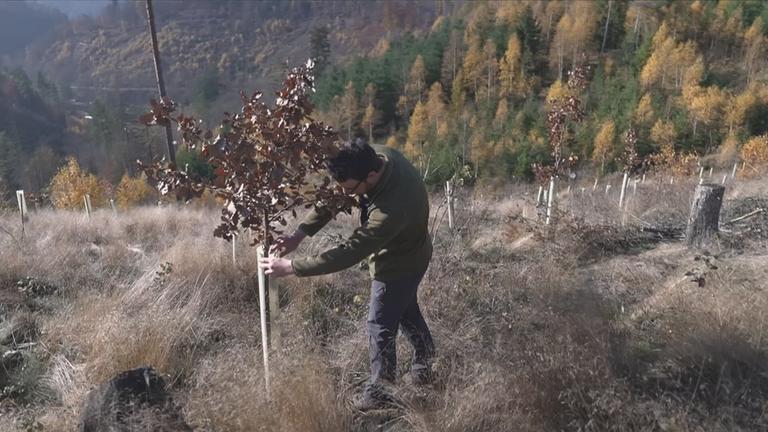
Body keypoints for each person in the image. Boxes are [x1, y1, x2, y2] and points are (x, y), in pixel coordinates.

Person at [258, 138, 435, 410]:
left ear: (372, 176)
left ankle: (380, 394)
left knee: (380, 323)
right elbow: (336, 197)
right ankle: (426, 360)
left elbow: (350, 252)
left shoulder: (391, 210)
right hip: (414, 249)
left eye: (351, 188)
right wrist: (299, 234)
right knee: (404, 309)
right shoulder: (373, 157)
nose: (347, 193)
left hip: (400, 264)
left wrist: (292, 267)